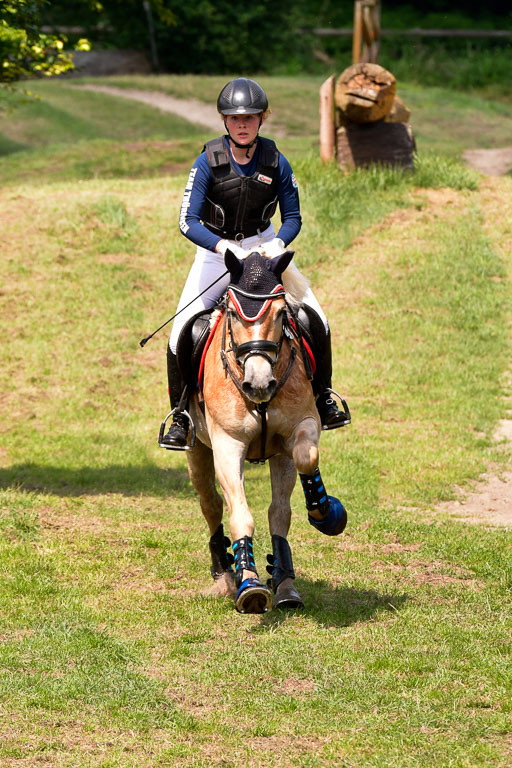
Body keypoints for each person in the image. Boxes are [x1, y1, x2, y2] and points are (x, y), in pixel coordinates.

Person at [161, 77, 347, 449]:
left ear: (262, 119)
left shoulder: (275, 160)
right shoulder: (207, 161)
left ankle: (324, 396)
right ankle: (180, 414)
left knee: (315, 317)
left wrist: (276, 242)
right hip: (218, 254)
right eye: (234, 118)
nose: (242, 124)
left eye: (249, 117)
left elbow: (293, 216)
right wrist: (222, 246)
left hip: (264, 248)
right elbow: (187, 221)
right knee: (181, 328)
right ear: (224, 121)